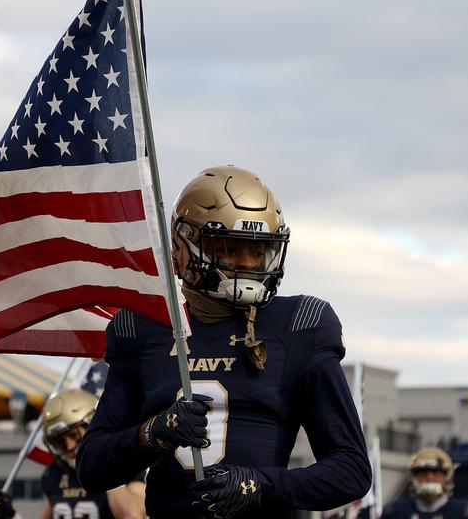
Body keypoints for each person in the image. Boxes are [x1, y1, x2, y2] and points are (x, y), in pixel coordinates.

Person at [76, 165, 372, 518]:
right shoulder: (145, 328)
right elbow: (91, 468)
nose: (247, 265)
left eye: (258, 252)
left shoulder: (299, 326)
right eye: (232, 249)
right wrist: (155, 432)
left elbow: (351, 469)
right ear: (183, 247)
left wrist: (261, 486)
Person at [0, 388, 146, 519]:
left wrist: (103, 464)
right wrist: (12, 517)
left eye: (73, 435)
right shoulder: (55, 472)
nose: (69, 446)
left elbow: (133, 515)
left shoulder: (125, 461)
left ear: (92, 426)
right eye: (59, 441)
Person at [381, 446, 468, 519]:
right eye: (423, 474)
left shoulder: (466, 512)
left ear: (448, 477)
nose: (429, 478)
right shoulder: (393, 512)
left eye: (436, 474)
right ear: (414, 478)